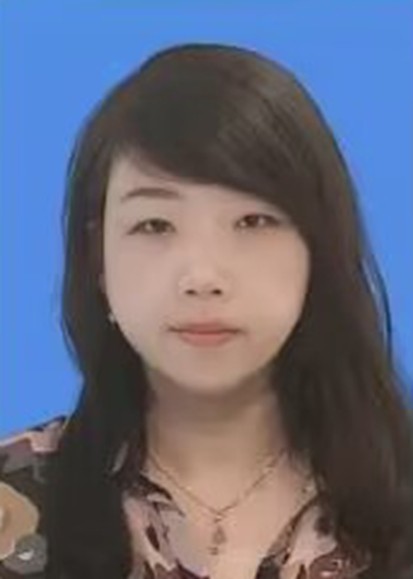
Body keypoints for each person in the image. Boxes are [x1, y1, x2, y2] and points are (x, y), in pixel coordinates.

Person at [0, 42, 412, 579]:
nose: (202, 277)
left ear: (319, 249)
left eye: (253, 222)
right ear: (98, 259)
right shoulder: (14, 500)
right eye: (155, 225)